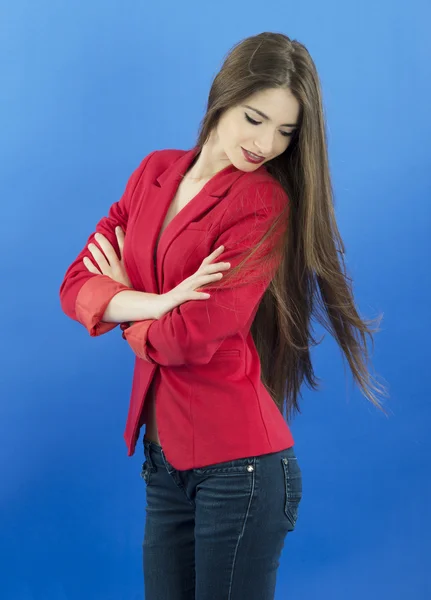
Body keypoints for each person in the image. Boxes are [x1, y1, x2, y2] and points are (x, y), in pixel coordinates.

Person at [59, 31, 388, 600]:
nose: (267, 144)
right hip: (165, 464)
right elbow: (75, 284)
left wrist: (125, 302)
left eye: (286, 132)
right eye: (255, 118)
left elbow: (187, 339)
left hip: (242, 472)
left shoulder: (262, 204)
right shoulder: (152, 173)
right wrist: (157, 301)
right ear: (223, 96)